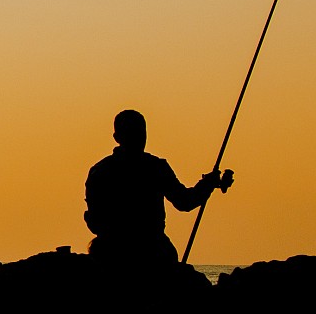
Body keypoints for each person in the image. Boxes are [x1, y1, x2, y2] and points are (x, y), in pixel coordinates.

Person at [84, 109, 229, 264]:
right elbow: (184, 202)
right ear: (117, 137)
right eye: (135, 133)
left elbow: (94, 220)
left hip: (110, 254)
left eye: (141, 133)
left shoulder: (99, 171)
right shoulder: (156, 167)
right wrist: (208, 184)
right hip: (153, 253)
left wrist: (208, 184)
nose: (139, 138)